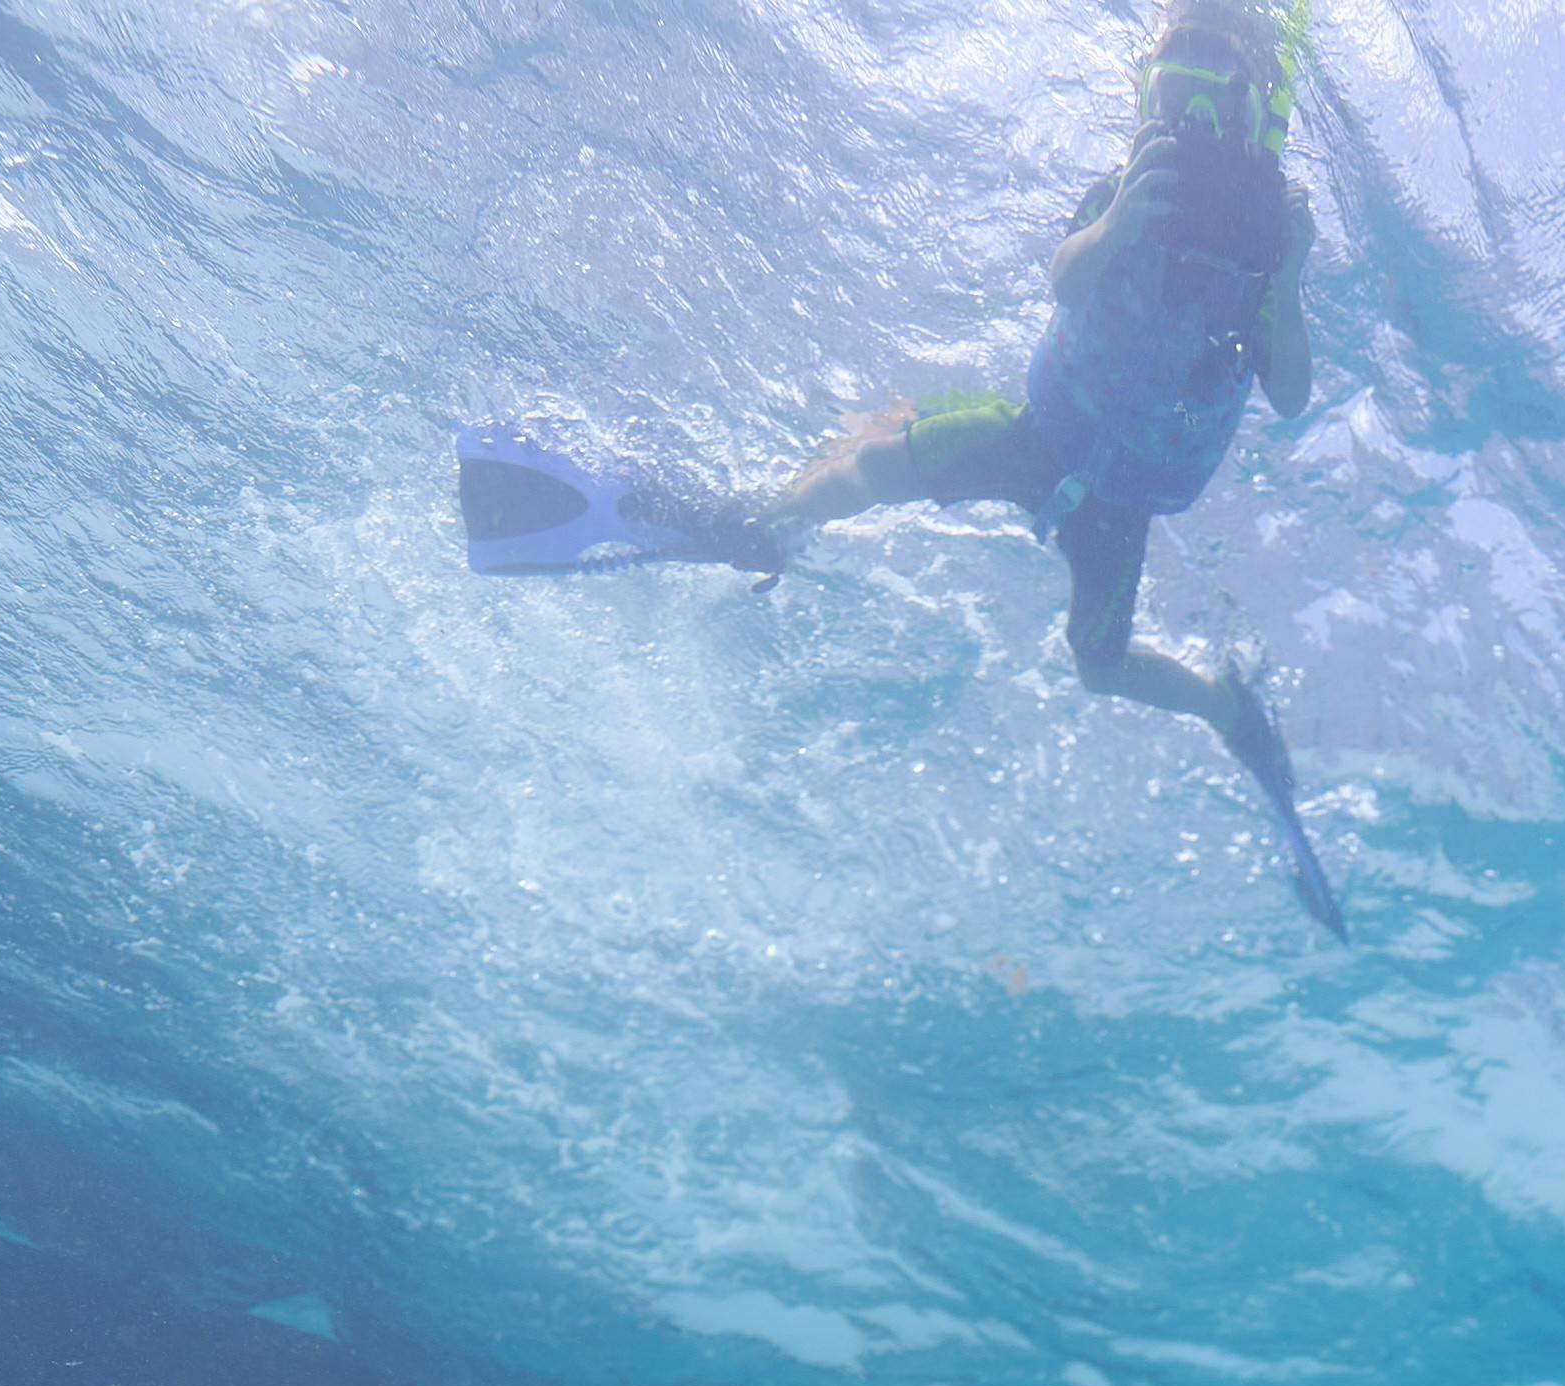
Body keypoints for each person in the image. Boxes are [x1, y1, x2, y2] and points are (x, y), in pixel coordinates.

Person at [457, 0, 1340, 930]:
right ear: (1147, 102)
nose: (1190, 127)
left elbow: (1287, 393)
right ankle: (765, 522)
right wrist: (1119, 222)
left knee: (1098, 662)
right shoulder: (1123, 189)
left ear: (1252, 110)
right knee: (875, 469)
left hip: (1122, 504)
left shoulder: (1265, 242)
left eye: (1213, 102)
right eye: (1172, 94)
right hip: (1041, 435)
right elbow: (1067, 280)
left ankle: (1221, 706)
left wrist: (1283, 279)